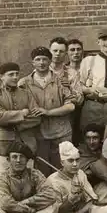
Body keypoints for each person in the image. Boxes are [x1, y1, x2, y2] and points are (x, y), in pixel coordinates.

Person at [16, 47, 79, 177]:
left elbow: (71, 106)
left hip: (61, 133)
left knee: (63, 171)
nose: (41, 62)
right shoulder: (24, 83)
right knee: (42, 173)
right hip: (38, 135)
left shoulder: (60, 81)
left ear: (50, 61)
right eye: (37, 59)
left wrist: (48, 112)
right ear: (32, 62)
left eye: (45, 59)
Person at [20, 141, 100, 213]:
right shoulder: (53, 181)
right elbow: (55, 212)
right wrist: (70, 199)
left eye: (77, 160)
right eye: (70, 161)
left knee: (98, 210)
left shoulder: (80, 174)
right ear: (62, 162)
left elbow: (92, 200)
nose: (75, 164)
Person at [0, 62, 41, 172]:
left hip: (27, 143)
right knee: (5, 178)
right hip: (4, 144)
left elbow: (37, 117)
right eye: (11, 74)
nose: (15, 77)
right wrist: (22, 113)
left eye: (17, 74)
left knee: (28, 178)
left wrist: (11, 122)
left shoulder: (26, 93)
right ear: (1, 76)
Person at [78, 124, 107, 205]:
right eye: (88, 138)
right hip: (86, 194)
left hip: (106, 188)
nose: (91, 142)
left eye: (95, 138)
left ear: (101, 139)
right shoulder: (79, 153)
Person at [66, 38, 85, 146]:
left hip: (88, 107)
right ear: (67, 52)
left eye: (78, 49)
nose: (76, 52)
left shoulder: (88, 68)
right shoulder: (64, 70)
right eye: (72, 50)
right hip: (71, 109)